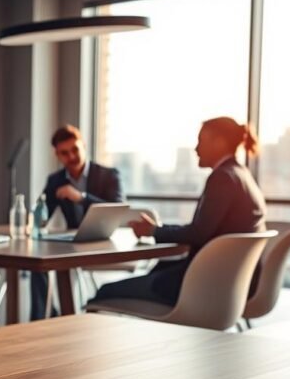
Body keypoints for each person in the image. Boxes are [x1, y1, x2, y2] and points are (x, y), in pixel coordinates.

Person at [91, 116, 267, 307]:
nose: (196, 149)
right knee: (157, 270)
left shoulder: (222, 178)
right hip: (232, 283)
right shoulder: (242, 174)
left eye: (201, 141)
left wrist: (154, 231)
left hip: (205, 286)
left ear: (219, 143)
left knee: (104, 292)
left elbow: (199, 233)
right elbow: (203, 230)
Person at [31, 124, 124, 320]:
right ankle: (41, 319)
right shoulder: (56, 180)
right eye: (64, 153)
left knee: (56, 261)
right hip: (72, 244)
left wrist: (81, 197)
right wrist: (35, 218)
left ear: (84, 146)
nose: (71, 156)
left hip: (103, 243)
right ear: (57, 155)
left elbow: (118, 209)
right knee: (37, 263)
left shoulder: (108, 175)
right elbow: (42, 215)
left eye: (75, 149)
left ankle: (67, 317)